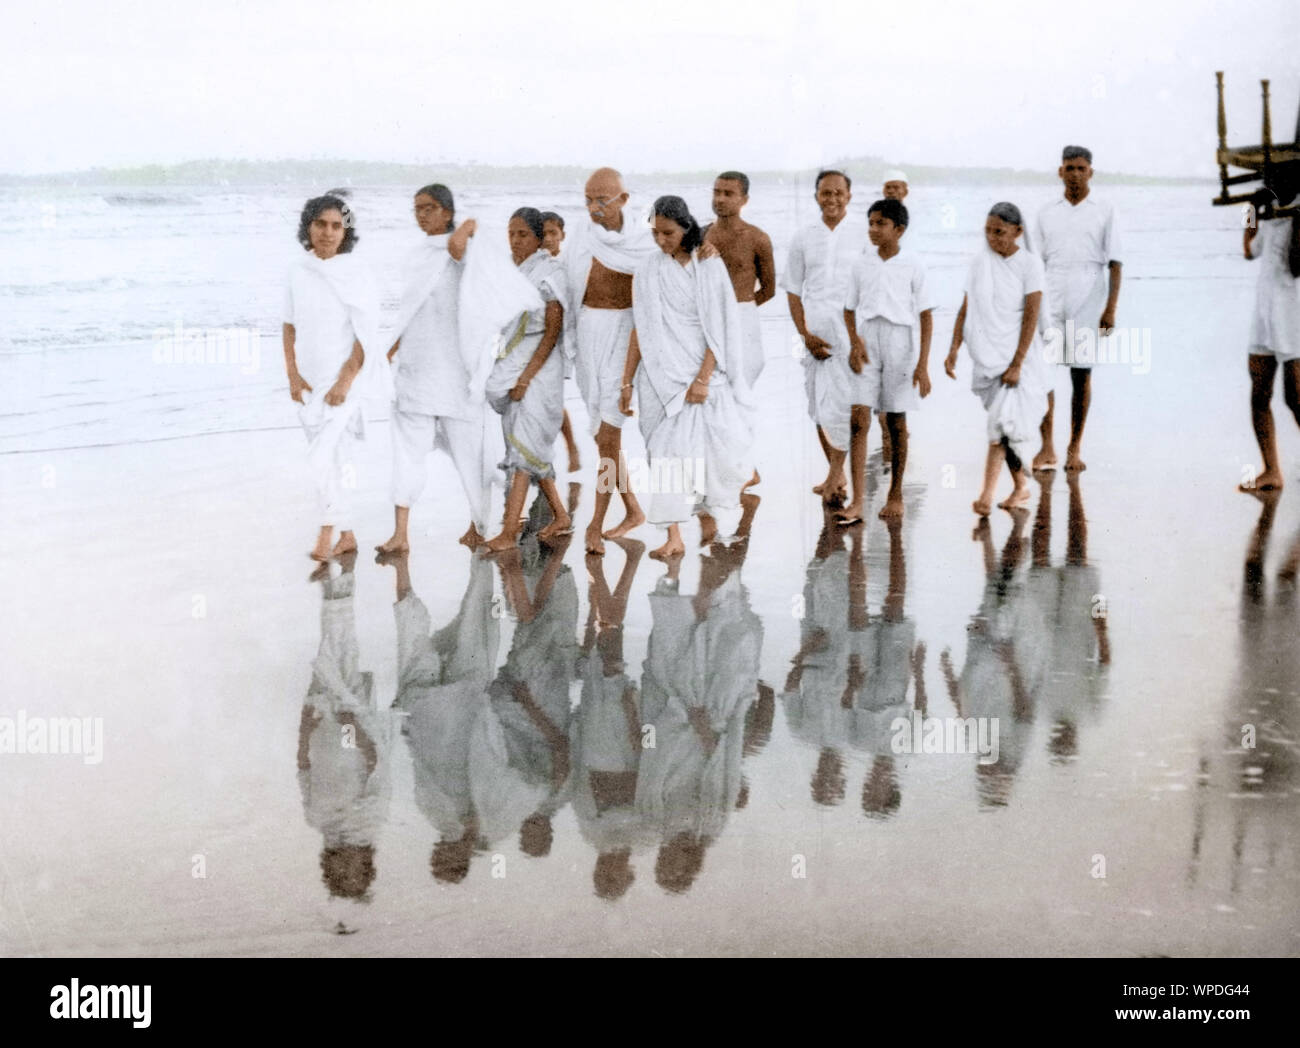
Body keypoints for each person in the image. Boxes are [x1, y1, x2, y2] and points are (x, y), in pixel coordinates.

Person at [619, 196, 755, 561]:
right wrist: (627, 381)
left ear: (686, 228)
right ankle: (674, 535)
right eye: (655, 233)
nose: (661, 240)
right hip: (660, 377)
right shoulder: (647, 269)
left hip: (700, 370)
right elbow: (641, 328)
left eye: (669, 233)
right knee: (662, 454)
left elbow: (721, 325)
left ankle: (707, 515)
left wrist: (703, 378)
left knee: (705, 453)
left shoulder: (708, 265)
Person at [376, 184, 489, 553]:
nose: (420, 215)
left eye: (428, 208)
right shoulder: (417, 255)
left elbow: (466, 247)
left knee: (470, 456)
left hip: (457, 373)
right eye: (416, 209)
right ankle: (400, 534)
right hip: (417, 369)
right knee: (407, 453)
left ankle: (481, 525)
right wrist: (389, 349)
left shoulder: (466, 249)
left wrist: (467, 225)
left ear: (446, 211)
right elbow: (408, 311)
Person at [282, 194, 379, 562]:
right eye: (321, 224)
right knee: (333, 460)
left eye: (336, 225)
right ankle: (348, 534)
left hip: (345, 382)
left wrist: (345, 381)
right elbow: (288, 326)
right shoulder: (297, 270)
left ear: (346, 231)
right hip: (309, 382)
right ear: (308, 226)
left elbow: (365, 335)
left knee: (319, 457)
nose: (328, 232)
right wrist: (292, 375)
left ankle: (326, 534)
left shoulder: (356, 272)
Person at [565, 168, 656, 554]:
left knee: (609, 435)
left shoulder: (644, 241)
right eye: (588, 199)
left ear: (623, 199)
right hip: (588, 334)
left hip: (624, 338)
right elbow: (567, 284)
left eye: (601, 199)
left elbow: (676, 267)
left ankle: (595, 523)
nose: (593, 208)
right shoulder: (582, 236)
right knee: (604, 437)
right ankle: (633, 508)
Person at [944, 202, 1049, 516]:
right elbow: (967, 308)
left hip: (1019, 357)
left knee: (1001, 427)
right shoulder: (980, 263)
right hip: (987, 356)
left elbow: (1031, 315)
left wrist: (1017, 362)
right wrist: (953, 348)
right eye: (988, 231)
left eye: (999, 232)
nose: (992, 237)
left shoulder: (1030, 265)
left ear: (1017, 232)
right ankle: (1021, 487)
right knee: (1006, 428)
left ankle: (985, 498)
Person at [482, 208, 573, 551]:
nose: (515, 240)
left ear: (538, 238)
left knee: (525, 445)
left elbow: (552, 332)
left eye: (522, 234)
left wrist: (525, 377)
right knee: (528, 446)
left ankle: (509, 531)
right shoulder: (511, 272)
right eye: (511, 233)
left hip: (540, 367)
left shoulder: (550, 272)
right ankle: (561, 516)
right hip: (514, 360)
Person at [1031, 146, 1123, 473]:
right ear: (1060, 172)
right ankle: (1047, 447)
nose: (1075, 174)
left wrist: (1110, 309)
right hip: (1052, 288)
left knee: (1081, 373)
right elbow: (1034, 263)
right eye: (1069, 168)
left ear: (1091, 172)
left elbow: (1115, 263)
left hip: (1089, 291)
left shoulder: (1105, 209)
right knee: (1044, 371)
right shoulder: (1046, 212)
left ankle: (1074, 447)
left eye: (1081, 168)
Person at [842, 198, 935, 521]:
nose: (873, 229)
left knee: (896, 421)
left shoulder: (913, 264)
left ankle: (895, 494)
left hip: (900, 340)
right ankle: (857, 501)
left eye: (880, 223)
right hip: (868, 340)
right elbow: (849, 308)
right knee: (858, 419)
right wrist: (854, 342)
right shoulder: (861, 263)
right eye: (870, 223)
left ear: (899, 229)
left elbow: (925, 316)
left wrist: (923, 364)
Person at [782, 170, 866, 505]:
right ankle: (837, 472)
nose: (831, 199)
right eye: (824, 193)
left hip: (851, 335)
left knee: (846, 405)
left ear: (849, 195)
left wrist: (860, 340)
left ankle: (835, 474)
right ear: (816, 195)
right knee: (818, 405)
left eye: (838, 193)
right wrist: (804, 334)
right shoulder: (804, 236)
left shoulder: (863, 234)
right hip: (814, 333)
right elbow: (792, 289)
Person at [1239, 166, 1300, 493]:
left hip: (1292, 312)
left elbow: (1296, 264)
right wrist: (1251, 211)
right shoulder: (1271, 211)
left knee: (1296, 398)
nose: (1273, 185)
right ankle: (1271, 470)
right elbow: (1250, 251)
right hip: (1264, 312)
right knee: (1259, 393)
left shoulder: (1296, 210)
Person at [703, 171, 777, 388]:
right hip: (707, 316)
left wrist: (740, 309)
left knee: (743, 380)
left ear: (744, 200)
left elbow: (768, 289)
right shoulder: (701, 235)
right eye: (716, 192)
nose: (720, 199)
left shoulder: (757, 238)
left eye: (728, 194)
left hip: (743, 315)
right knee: (710, 385)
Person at [540, 210, 582, 473]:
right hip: (534, 339)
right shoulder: (533, 263)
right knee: (540, 400)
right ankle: (541, 454)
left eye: (553, 233)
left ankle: (571, 447)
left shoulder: (568, 264)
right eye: (542, 234)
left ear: (562, 235)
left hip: (559, 340)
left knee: (552, 400)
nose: (547, 239)